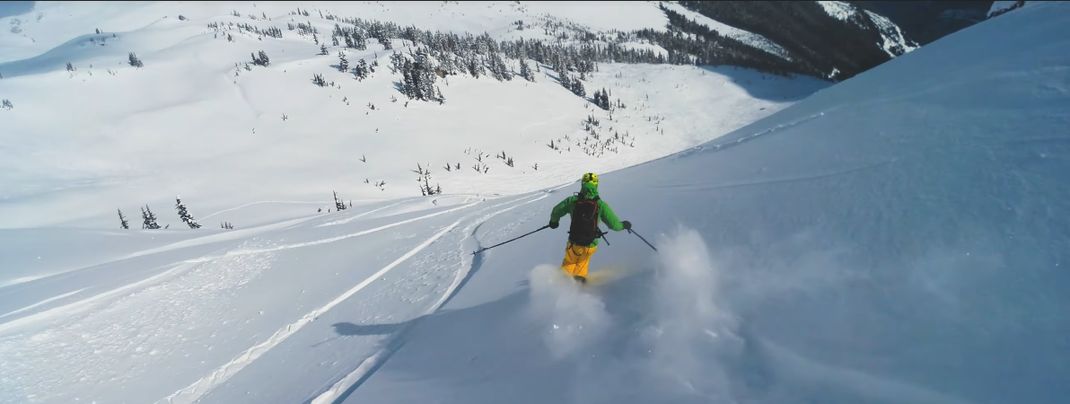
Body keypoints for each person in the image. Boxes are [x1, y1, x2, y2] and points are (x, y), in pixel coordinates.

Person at [548, 172, 631, 283]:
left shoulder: (572, 201)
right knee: (582, 264)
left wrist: (554, 222)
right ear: (596, 185)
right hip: (590, 244)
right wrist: (624, 225)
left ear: (582, 184)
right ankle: (579, 287)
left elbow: (556, 211)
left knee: (569, 262)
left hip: (574, 241)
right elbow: (614, 225)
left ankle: (561, 284)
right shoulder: (601, 205)